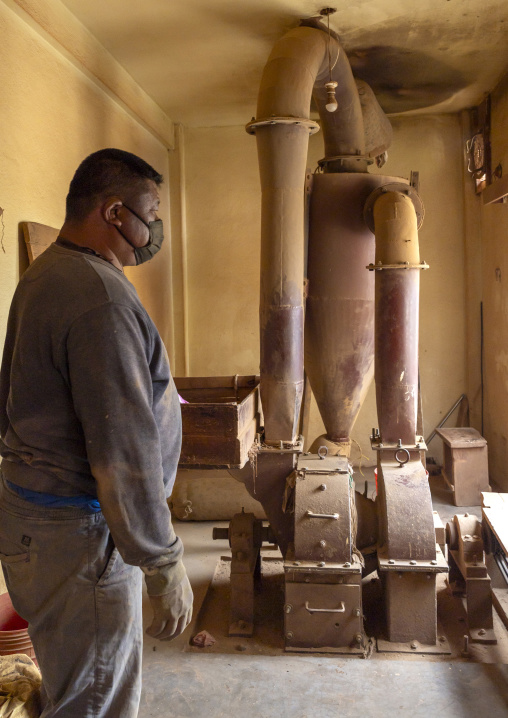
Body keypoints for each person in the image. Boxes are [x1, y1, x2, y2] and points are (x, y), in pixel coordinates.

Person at [0, 148, 193, 717]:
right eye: (150, 212)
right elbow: (122, 449)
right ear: (114, 212)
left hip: (36, 517)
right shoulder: (99, 298)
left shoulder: (46, 273)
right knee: (94, 702)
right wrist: (162, 561)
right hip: (80, 536)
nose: (154, 228)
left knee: (72, 680)